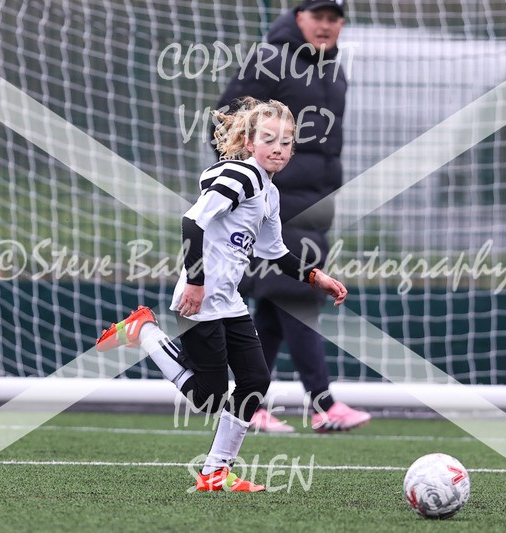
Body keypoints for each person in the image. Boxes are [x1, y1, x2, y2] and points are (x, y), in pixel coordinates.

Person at [96, 97, 348, 492]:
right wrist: (196, 282)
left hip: (228, 301)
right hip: (198, 297)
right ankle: (143, 330)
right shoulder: (242, 176)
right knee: (208, 397)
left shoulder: (269, 192)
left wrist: (316, 277)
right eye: (270, 139)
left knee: (254, 381)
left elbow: (275, 253)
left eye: (286, 142)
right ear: (250, 142)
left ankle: (216, 471)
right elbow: (192, 222)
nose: (279, 148)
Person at [216, 0, 370, 433]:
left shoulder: (333, 70)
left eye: (334, 18)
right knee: (298, 297)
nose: (326, 25)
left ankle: (249, 405)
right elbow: (229, 119)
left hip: (316, 206)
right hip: (275, 206)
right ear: (298, 17)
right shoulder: (270, 58)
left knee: (276, 305)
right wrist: (247, 185)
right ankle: (323, 404)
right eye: (318, 16)